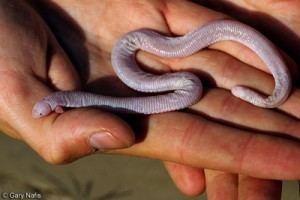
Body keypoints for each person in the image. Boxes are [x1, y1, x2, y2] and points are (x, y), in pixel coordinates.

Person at [1, 0, 299, 199]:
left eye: (44, 111)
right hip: (158, 74)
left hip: (158, 66)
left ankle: (274, 91)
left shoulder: (72, 95)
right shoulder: (74, 96)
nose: (42, 113)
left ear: (56, 105)